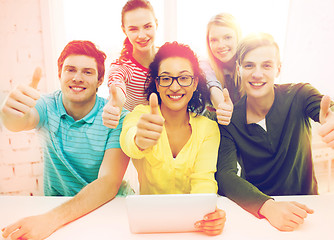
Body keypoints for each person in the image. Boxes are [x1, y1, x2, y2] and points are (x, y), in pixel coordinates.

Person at [216, 33, 334, 232]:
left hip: (307, 209)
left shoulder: (300, 95)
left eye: (267, 65)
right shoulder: (229, 120)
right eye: (249, 65)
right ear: (238, 69)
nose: (257, 73)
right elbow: (225, 176)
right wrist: (268, 207)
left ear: (278, 68)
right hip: (259, 213)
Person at [0, 40, 132, 240]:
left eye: (87, 72)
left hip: (109, 206)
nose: (78, 78)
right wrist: (9, 113)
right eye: (70, 69)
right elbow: (20, 122)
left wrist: (50, 220)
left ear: (100, 80)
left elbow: (108, 183)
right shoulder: (46, 105)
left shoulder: (116, 117)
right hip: (57, 209)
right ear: (60, 74)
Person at [120, 42, 226, 236]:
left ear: (194, 83)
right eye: (166, 79)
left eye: (184, 78)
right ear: (157, 84)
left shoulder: (208, 128)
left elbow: (204, 181)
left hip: (192, 226)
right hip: (149, 225)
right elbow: (128, 141)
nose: (175, 86)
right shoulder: (141, 115)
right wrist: (139, 141)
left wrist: (209, 216)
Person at [102, 0, 158, 129]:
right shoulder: (122, 67)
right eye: (133, 29)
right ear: (124, 30)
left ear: (156, 24)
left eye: (148, 26)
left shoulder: (167, 59)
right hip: (134, 135)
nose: (142, 35)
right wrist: (114, 104)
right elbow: (117, 89)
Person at [200, 13, 242, 125]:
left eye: (227, 37)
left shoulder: (249, 65)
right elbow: (212, 86)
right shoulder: (204, 65)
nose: (221, 45)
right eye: (214, 40)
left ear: (238, 37)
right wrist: (222, 106)